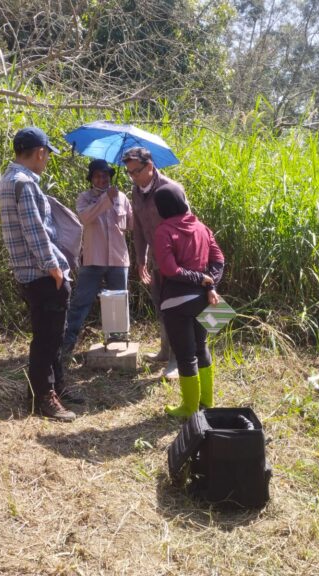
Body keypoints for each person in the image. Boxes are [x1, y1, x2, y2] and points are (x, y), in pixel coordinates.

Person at [0, 126, 80, 422]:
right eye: (46, 156)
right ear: (40, 153)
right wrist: (54, 268)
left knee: (50, 335)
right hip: (42, 274)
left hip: (28, 272)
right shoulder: (25, 182)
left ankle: (56, 387)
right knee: (47, 338)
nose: (46, 162)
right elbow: (35, 232)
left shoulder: (8, 179)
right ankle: (43, 397)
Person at [152, 183, 224, 418]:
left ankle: (189, 408)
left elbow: (169, 269)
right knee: (201, 348)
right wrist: (209, 282)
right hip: (203, 300)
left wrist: (200, 279)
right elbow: (219, 260)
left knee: (185, 355)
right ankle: (207, 402)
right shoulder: (202, 227)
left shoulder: (164, 230)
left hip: (176, 302)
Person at [122, 147, 186, 379]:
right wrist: (141, 258)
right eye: (129, 173)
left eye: (136, 171)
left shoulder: (171, 188)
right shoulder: (136, 191)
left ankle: (176, 360)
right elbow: (138, 227)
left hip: (176, 260)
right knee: (161, 305)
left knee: (175, 308)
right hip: (155, 259)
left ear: (150, 166)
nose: (133, 176)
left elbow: (186, 224)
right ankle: (164, 351)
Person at [62, 159, 133, 361]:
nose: (102, 179)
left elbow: (130, 224)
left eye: (105, 175)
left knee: (118, 304)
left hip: (119, 260)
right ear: (91, 178)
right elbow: (85, 218)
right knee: (80, 303)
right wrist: (106, 200)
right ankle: (66, 345)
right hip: (93, 260)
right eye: (98, 176)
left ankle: (117, 344)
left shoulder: (122, 197)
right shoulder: (84, 198)